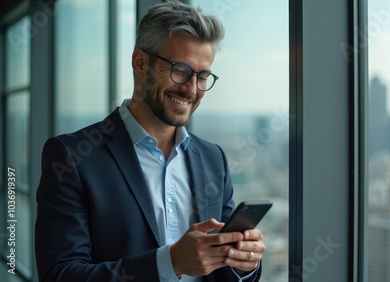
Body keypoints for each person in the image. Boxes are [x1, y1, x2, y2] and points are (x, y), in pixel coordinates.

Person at [35, 2, 265, 281]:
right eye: (180, 70)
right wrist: (169, 262)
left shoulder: (213, 157)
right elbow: (60, 275)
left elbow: (223, 271)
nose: (192, 89)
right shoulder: (72, 156)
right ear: (140, 63)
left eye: (202, 76)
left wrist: (244, 264)